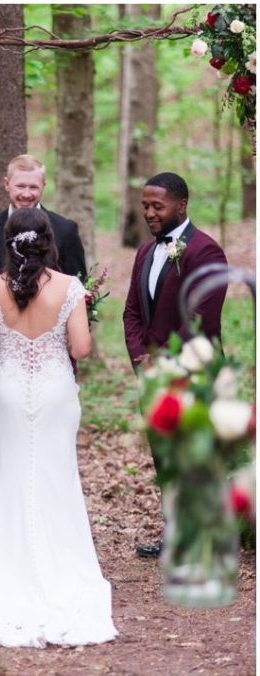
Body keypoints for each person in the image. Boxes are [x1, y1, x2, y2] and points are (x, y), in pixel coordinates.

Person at [0, 207, 118, 648]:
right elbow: (80, 347)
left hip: (7, 391)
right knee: (57, 476)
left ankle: (14, 570)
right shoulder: (70, 287)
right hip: (54, 391)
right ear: (49, 242)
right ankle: (63, 567)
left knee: (12, 478)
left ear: (6, 242)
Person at [123, 172, 228, 558]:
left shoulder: (206, 251)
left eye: (157, 206)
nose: (149, 213)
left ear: (181, 206)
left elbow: (203, 319)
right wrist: (140, 358)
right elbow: (132, 313)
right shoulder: (145, 252)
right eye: (145, 206)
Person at [0, 154, 87, 280]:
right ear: (6, 184)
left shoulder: (66, 230)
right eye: (20, 186)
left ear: (43, 185)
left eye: (33, 187)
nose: (26, 194)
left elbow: (79, 284)